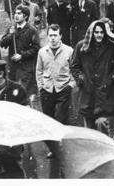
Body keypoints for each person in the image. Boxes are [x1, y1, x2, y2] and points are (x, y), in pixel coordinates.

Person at [70, 20, 114, 135]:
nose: (99, 35)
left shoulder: (111, 47)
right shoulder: (81, 46)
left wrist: (111, 79)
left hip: (104, 94)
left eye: (102, 32)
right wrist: (81, 79)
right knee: (89, 130)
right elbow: (74, 66)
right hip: (88, 94)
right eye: (96, 32)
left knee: (103, 127)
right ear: (91, 33)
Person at [36, 24, 75, 158]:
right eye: (50, 35)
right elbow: (39, 71)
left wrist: (71, 84)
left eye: (55, 35)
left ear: (60, 36)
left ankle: (63, 146)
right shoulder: (42, 52)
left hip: (63, 87)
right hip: (47, 89)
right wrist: (41, 87)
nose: (52, 38)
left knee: (61, 118)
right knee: (48, 120)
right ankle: (54, 148)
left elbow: (74, 69)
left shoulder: (69, 51)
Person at [0, 5, 40, 101]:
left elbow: (36, 48)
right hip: (13, 68)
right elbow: (2, 43)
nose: (15, 16)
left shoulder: (31, 30)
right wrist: (10, 35)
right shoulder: (11, 29)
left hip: (26, 68)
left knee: (23, 94)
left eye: (19, 14)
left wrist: (22, 56)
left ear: (25, 16)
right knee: (12, 94)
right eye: (14, 13)